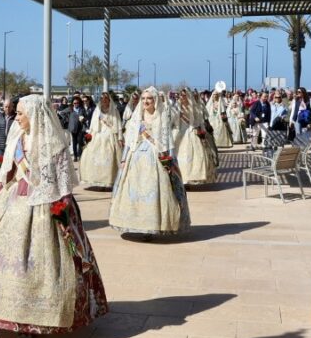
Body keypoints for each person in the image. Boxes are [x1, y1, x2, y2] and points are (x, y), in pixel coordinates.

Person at [0, 95, 108, 338]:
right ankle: (10, 311)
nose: (17, 117)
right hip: (13, 204)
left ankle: (38, 316)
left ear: (34, 115)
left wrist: (64, 213)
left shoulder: (55, 143)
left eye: (21, 113)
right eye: (18, 113)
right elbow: (5, 175)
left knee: (44, 263)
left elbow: (64, 185)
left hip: (45, 207)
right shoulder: (16, 140)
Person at [110, 88, 191, 237]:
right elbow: (129, 141)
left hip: (156, 158)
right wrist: (123, 159)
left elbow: (168, 142)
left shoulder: (161, 118)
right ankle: (136, 223)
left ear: (155, 100)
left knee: (154, 191)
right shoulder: (137, 118)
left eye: (149, 99)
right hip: (136, 158)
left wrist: (170, 161)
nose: (146, 101)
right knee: (134, 191)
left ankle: (152, 225)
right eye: (143, 98)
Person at [78, 91, 123, 189]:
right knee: (91, 154)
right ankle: (97, 181)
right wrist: (90, 135)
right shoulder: (97, 110)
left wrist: (120, 137)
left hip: (110, 134)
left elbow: (118, 125)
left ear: (109, 100)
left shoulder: (114, 111)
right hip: (98, 134)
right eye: (102, 99)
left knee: (110, 155)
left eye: (106, 98)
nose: (104, 100)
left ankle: (109, 180)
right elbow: (93, 124)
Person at [174, 89, 215, 185]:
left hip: (192, 131)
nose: (182, 97)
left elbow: (198, 121)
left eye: (184, 95)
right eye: (181, 95)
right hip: (180, 131)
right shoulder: (177, 106)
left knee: (194, 154)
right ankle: (182, 178)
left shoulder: (194, 107)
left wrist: (200, 131)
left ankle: (192, 176)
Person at [0, 98, 16, 172]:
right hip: (0, 145)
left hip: (12, 145)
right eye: (6, 106)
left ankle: (8, 179)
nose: (7, 108)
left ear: (12, 107)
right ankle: (0, 177)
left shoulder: (16, 117)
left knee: (10, 163)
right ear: (3, 107)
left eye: (9, 106)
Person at [66, 96, 88, 161]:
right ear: (72, 103)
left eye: (77, 103)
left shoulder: (82, 109)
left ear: (79, 103)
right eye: (75, 103)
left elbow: (86, 117)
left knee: (80, 142)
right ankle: (75, 156)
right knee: (74, 142)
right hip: (73, 128)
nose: (76, 104)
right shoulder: (70, 109)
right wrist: (68, 120)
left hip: (80, 128)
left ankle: (80, 155)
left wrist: (83, 119)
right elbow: (62, 113)